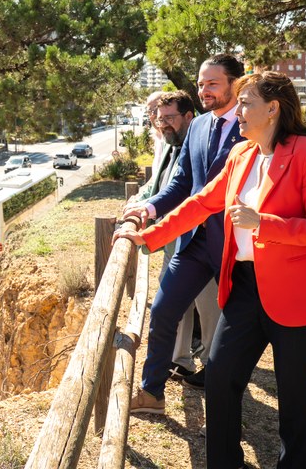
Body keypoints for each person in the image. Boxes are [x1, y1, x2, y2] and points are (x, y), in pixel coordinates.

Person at [115, 71, 306, 469]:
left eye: (246, 103)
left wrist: (262, 223)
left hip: (296, 293)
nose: (237, 111)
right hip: (244, 288)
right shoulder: (241, 154)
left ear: (272, 109)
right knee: (219, 376)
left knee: (293, 394)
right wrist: (148, 236)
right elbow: (201, 202)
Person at [122, 53, 245, 409]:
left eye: (213, 83)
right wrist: (148, 208)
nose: (204, 90)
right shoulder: (199, 126)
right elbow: (182, 183)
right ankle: (152, 392)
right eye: (201, 83)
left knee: (231, 330)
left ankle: (225, 403)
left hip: (237, 245)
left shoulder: (253, 125)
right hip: (193, 241)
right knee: (163, 310)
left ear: (235, 83)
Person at [132, 90, 218, 379]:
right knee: (172, 305)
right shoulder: (170, 144)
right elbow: (163, 185)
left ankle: (212, 365)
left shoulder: (200, 143)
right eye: (159, 119)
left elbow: (190, 192)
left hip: (199, 238)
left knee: (208, 306)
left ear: (188, 116)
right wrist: (144, 205)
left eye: (169, 118)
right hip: (173, 237)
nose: (162, 124)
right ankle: (179, 359)